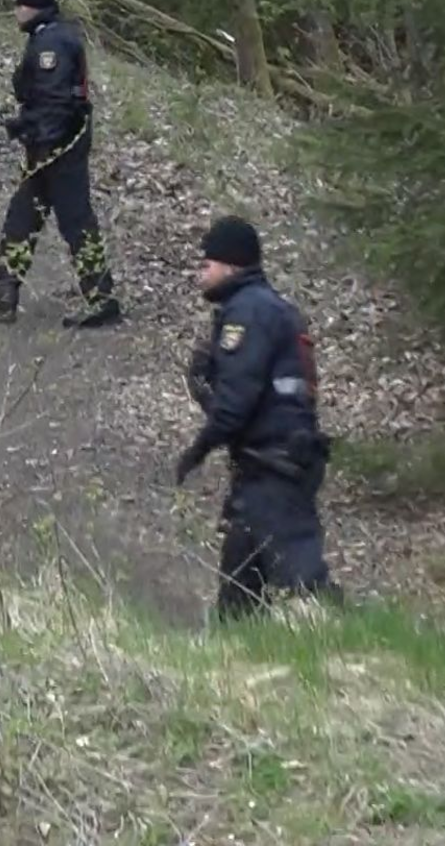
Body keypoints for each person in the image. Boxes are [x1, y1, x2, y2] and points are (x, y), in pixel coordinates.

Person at [176, 216, 339, 620]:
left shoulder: (247, 313)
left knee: (304, 581)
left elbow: (237, 399)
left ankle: (352, 647)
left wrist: (199, 448)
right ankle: (235, 656)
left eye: (207, 263)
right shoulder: (266, 308)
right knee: (239, 586)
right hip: (271, 463)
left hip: (275, 465)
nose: (201, 272)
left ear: (231, 265)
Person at [0, 0, 121, 329]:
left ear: (31, 6)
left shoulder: (52, 44)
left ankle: (102, 299)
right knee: (21, 217)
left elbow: (57, 103)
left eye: (18, 3)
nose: (14, 10)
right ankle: (6, 291)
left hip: (59, 148)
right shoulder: (47, 37)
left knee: (76, 221)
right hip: (48, 146)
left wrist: (32, 134)